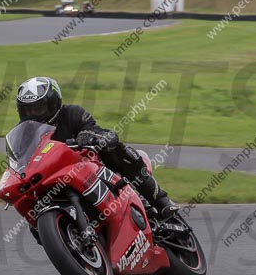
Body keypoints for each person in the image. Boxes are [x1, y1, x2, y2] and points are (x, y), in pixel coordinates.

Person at [15, 76, 179, 219]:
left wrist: (90, 137)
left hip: (91, 168)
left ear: (53, 104)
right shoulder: (24, 135)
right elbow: (20, 161)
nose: (33, 115)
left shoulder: (72, 113)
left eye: (38, 109)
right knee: (30, 205)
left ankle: (161, 201)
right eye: (28, 111)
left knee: (118, 151)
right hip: (55, 180)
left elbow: (99, 132)